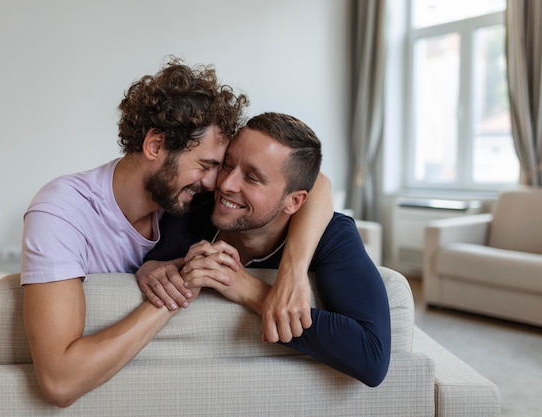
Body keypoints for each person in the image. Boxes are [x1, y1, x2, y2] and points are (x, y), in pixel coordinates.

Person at [21, 60, 331, 407]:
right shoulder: (62, 214)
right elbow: (60, 382)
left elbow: (312, 180)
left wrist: (294, 271)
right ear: (155, 145)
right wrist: (180, 290)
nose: (218, 184)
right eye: (207, 165)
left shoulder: (186, 205)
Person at [141, 112, 391, 386]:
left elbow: (372, 358)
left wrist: (246, 288)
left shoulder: (333, 236)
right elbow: (144, 263)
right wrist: (149, 268)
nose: (225, 184)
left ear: (295, 201)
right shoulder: (190, 211)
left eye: (252, 177)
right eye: (228, 164)